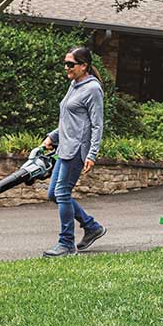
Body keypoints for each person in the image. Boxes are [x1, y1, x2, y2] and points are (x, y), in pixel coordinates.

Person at [41, 46, 108, 257]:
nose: (66, 67)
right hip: (65, 148)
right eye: (66, 63)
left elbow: (97, 125)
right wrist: (53, 136)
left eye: (71, 64)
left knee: (62, 193)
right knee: (54, 194)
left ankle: (66, 243)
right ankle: (92, 227)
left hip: (77, 150)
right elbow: (69, 120)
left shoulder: (93, 89)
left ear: (83, 66)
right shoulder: (74, 84)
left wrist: (92, 154)